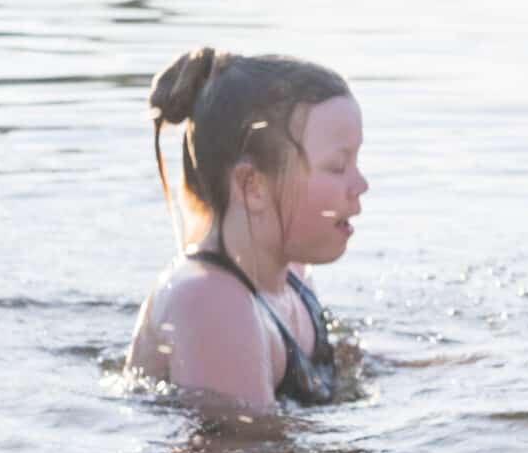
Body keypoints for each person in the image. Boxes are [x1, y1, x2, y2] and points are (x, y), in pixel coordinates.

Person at [123, 47, 368, 410]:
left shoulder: (292, 278)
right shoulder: (212, 303)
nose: (361, 185)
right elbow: (243, 444)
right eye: (337, 167)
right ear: (253, 186)